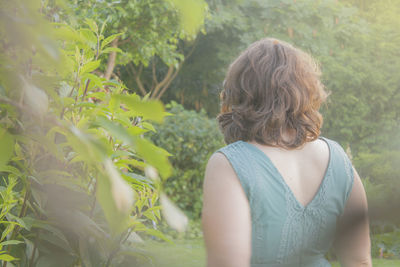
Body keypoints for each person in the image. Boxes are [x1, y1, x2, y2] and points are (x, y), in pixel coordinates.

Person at [201, 38, 372, 267]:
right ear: (306, 91)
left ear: (240, 94)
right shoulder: (339, 159)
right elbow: (359, 261)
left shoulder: (228, 163)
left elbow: (226, 263)